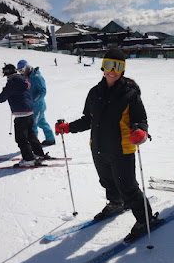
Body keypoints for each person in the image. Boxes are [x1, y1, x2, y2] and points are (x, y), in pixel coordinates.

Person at [55, 48, 161, 242]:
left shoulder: (130, 94)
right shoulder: (94, 93)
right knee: (107, 181)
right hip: (98, 147)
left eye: (118, 66)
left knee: (128, 186)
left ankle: (145, 220)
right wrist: (68, 127)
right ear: (102, 67)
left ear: (123, 69)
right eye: (108, 65)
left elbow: (140, 120)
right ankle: (116, 202)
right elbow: (88, 119)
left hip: (122, 149)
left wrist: (141, 132)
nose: (112, 70)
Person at [0, 64, 47, 166]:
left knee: (21, 138)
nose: (6, 77)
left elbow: (1, 98)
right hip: (29, 111)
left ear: (8, 73)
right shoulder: (22, 79)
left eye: (6, 75)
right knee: (31, 135)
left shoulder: (12, 82)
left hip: (21, 114)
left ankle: (28, 159)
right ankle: (38, 153)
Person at [17, 60, 56, 146]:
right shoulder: (26, 77)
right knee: (41, 122)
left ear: (27, 67)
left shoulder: (37, 77)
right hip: (31, 106)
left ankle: (33, 143)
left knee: (33, 124)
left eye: (22, 71)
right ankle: (50, 139)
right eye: (19, 71)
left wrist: (34, 100)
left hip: (38, 105)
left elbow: (43, 91)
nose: (21, 73)